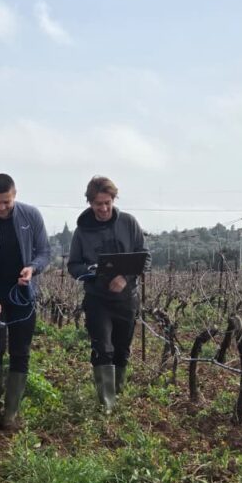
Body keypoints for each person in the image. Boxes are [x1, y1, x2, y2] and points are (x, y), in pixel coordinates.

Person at [0, 173, 50, 431]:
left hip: (22, 297)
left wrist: (32, 269)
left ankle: (12, 412)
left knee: (20, 351)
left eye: (6, 202)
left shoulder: (31, 217)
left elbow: (45, 253)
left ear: (14, 195)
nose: (1, 208)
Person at [68, 176, 150, 412]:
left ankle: (119, 392)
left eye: (107, 203)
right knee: (103, 348)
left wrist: (125, 278)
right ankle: (107, 403)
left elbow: (145, 257)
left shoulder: (128, 223)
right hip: (97, 300)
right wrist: (92, 272)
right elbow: (73, 266)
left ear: (113, 200)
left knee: (121, 349)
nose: (103, 208)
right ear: (90, 204)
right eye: (98, 204)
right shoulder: (82, 231)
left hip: (127, 299)